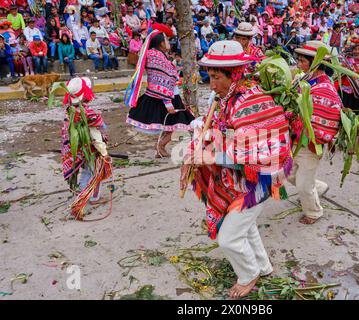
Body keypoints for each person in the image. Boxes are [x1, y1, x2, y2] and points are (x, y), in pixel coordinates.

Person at [180, 40, 292, 299]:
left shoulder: (251, 101)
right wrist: (197, 148)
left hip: (258, 181)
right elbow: (218, 133)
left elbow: (251, 152)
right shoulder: (225, 98)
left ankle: (248, 274)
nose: (212, 83)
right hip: (235, 181)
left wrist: (208, 157)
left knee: (229, 238)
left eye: (217, 77)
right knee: (245, 226)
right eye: (210, 76)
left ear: (236, 74)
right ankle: (263, 266)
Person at [290, 41, 342, 225]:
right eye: (299, 60)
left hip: (310, 143)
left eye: (303, 60)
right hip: (294, 139)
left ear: (316, 62)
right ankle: (319, 187)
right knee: (289, 173)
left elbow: (328, 118)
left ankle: (314, 212)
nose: (299, 64)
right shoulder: (303, 80)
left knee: (303, 183)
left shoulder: (325, 89)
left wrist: (301, 124)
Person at [126, 23, 195, 158]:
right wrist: (168, 103)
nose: (168, 42)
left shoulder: (158, 55)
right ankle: (160, 146)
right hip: (165, 97)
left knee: (169, 124)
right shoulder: (156, 56)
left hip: (167, 95)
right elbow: (162, 78)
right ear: (161, 43)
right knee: (176, 124)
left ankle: (160, 147)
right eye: (166, 40)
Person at [60, 77, 112, 220]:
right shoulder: (89, 114)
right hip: (89, 150)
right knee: (96, 173)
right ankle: (92, 198)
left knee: (86, 173)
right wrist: (104, 152)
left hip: (74, 149)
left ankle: (82, 193)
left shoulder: (69, 111)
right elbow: (96, 135)